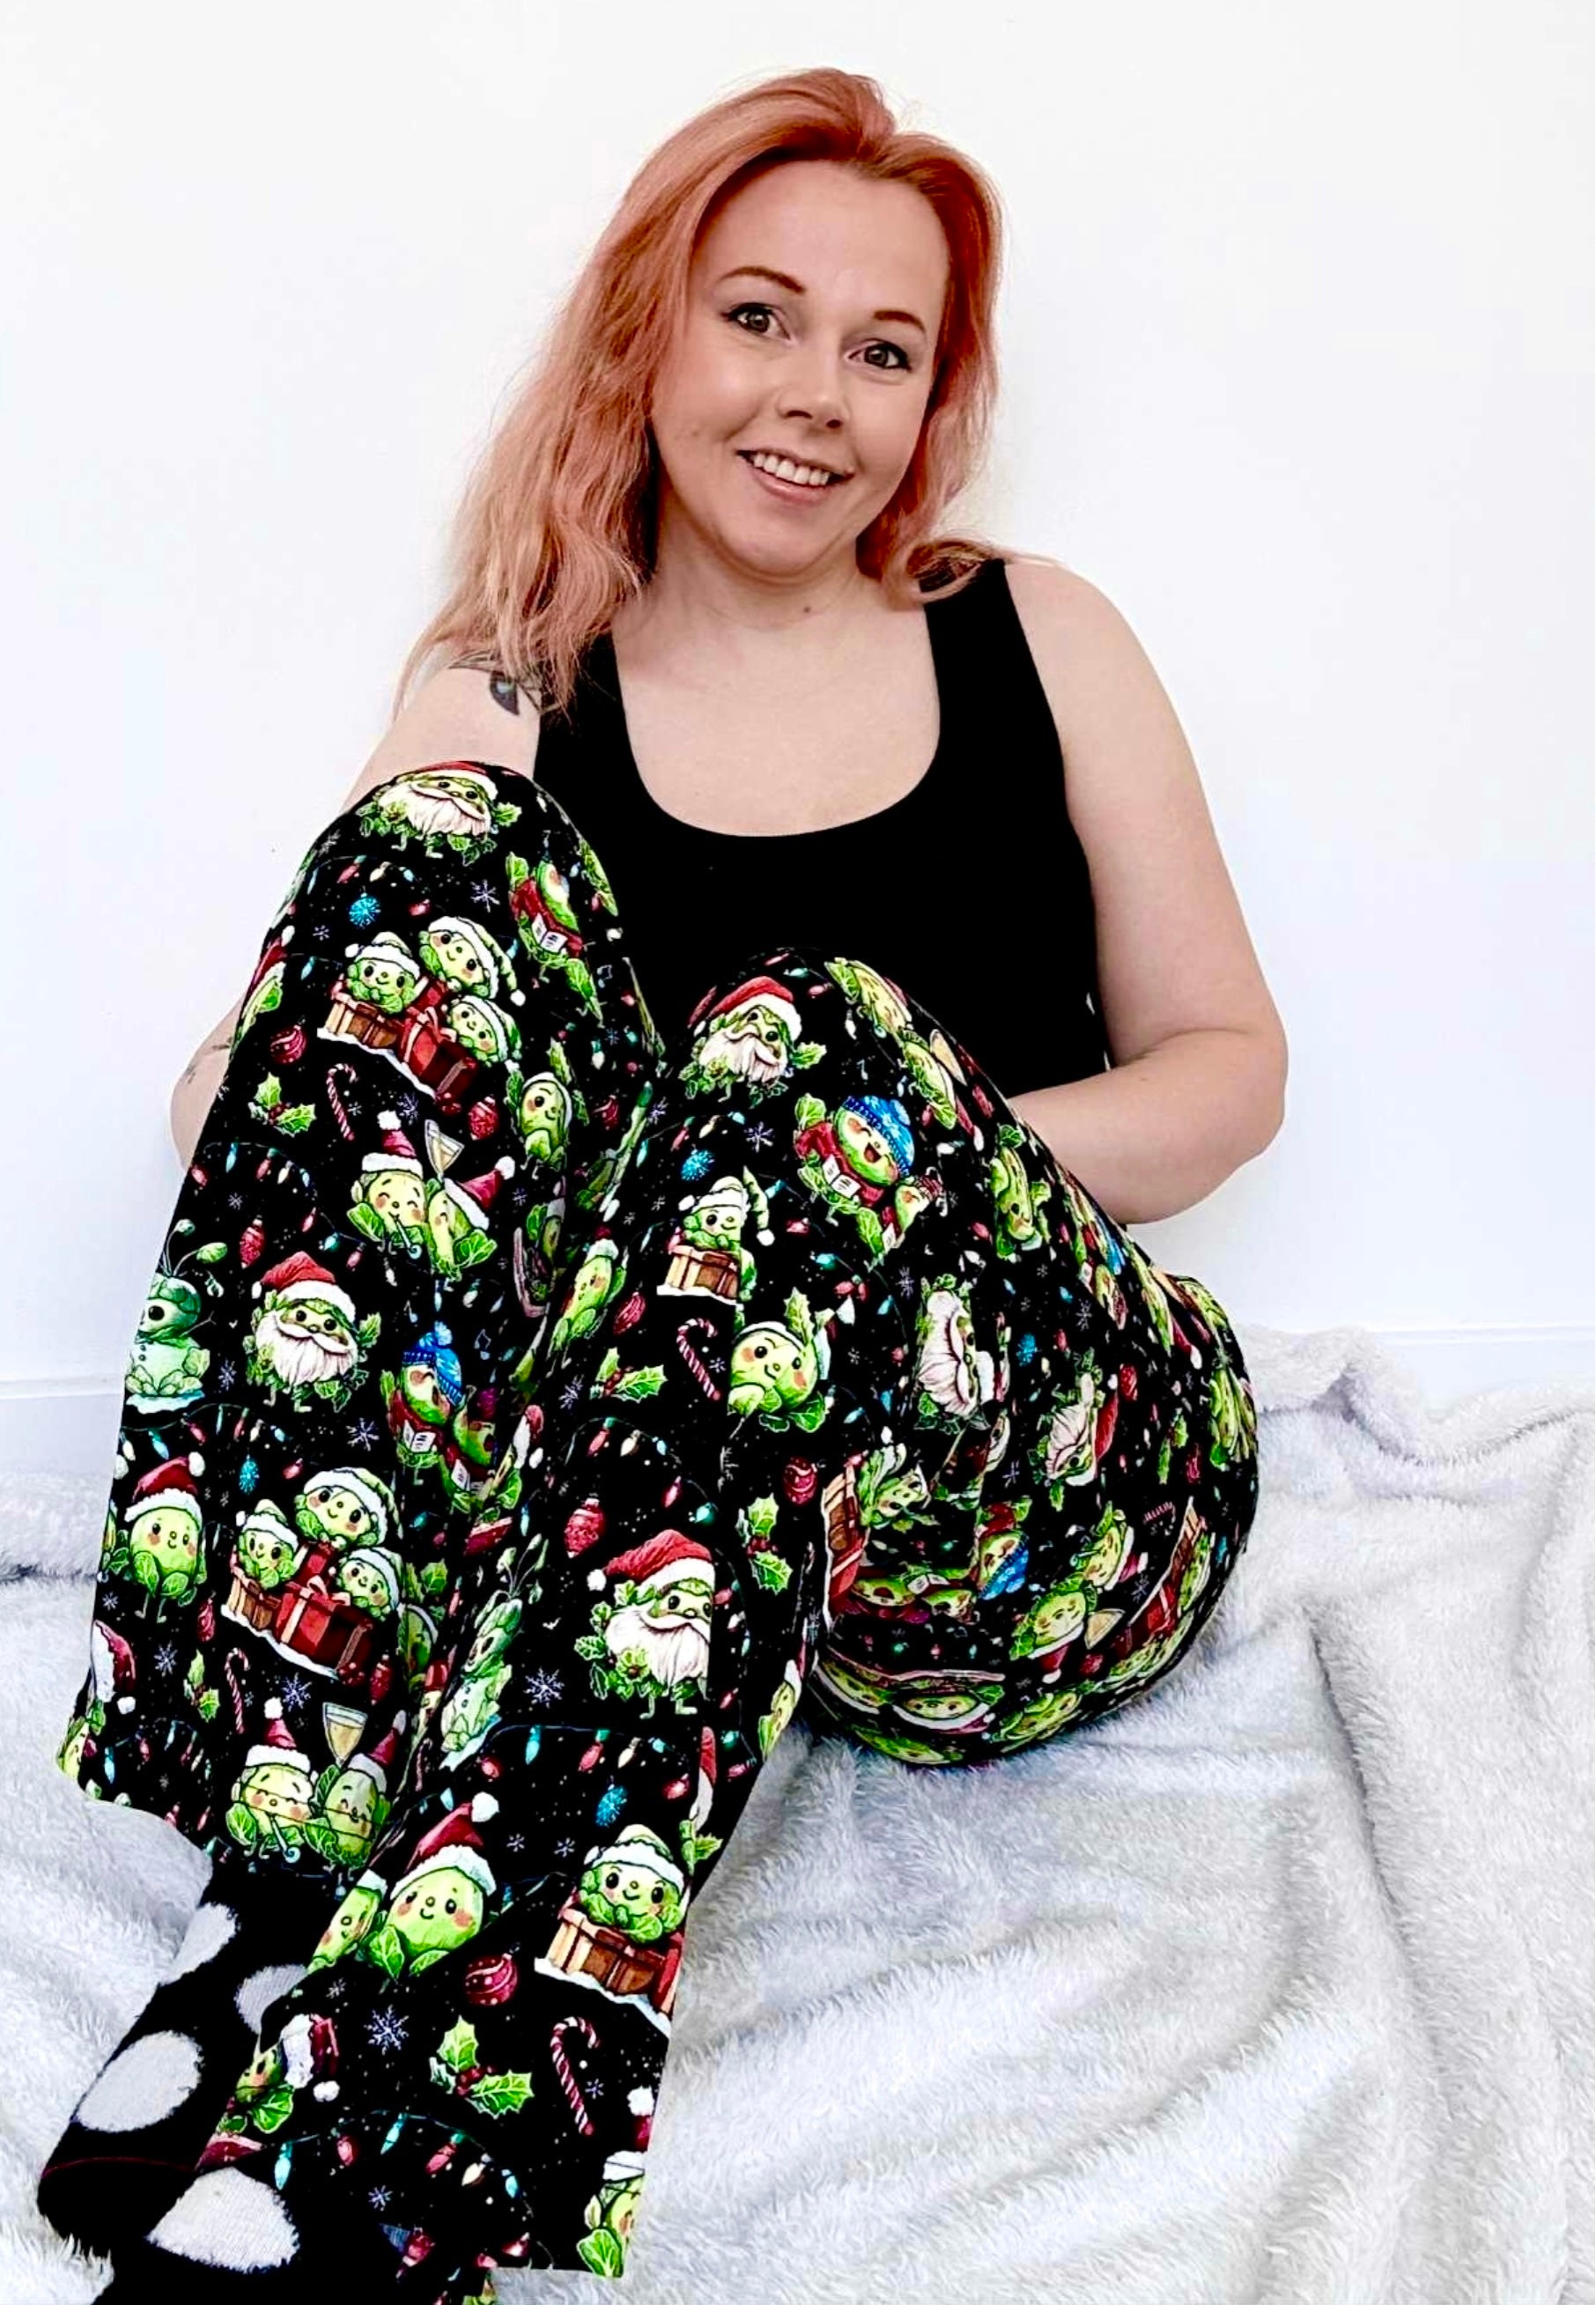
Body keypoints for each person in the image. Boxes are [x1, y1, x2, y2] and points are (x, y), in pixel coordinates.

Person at [38, 66, 1284, 2301]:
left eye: (883, 352)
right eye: (762, 317)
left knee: (793, 1051)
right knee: (425, 876)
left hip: (1049, 1483)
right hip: (668, 1528)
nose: (817, 396)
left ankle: (420, 2108)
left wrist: (830, 1149)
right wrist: (501, 1116)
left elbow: (1230, 1076)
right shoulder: (516, 672)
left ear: (930, 405)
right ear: (653, 338)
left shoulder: (1035, 634)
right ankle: (293, 1888)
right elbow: (269, 1094)